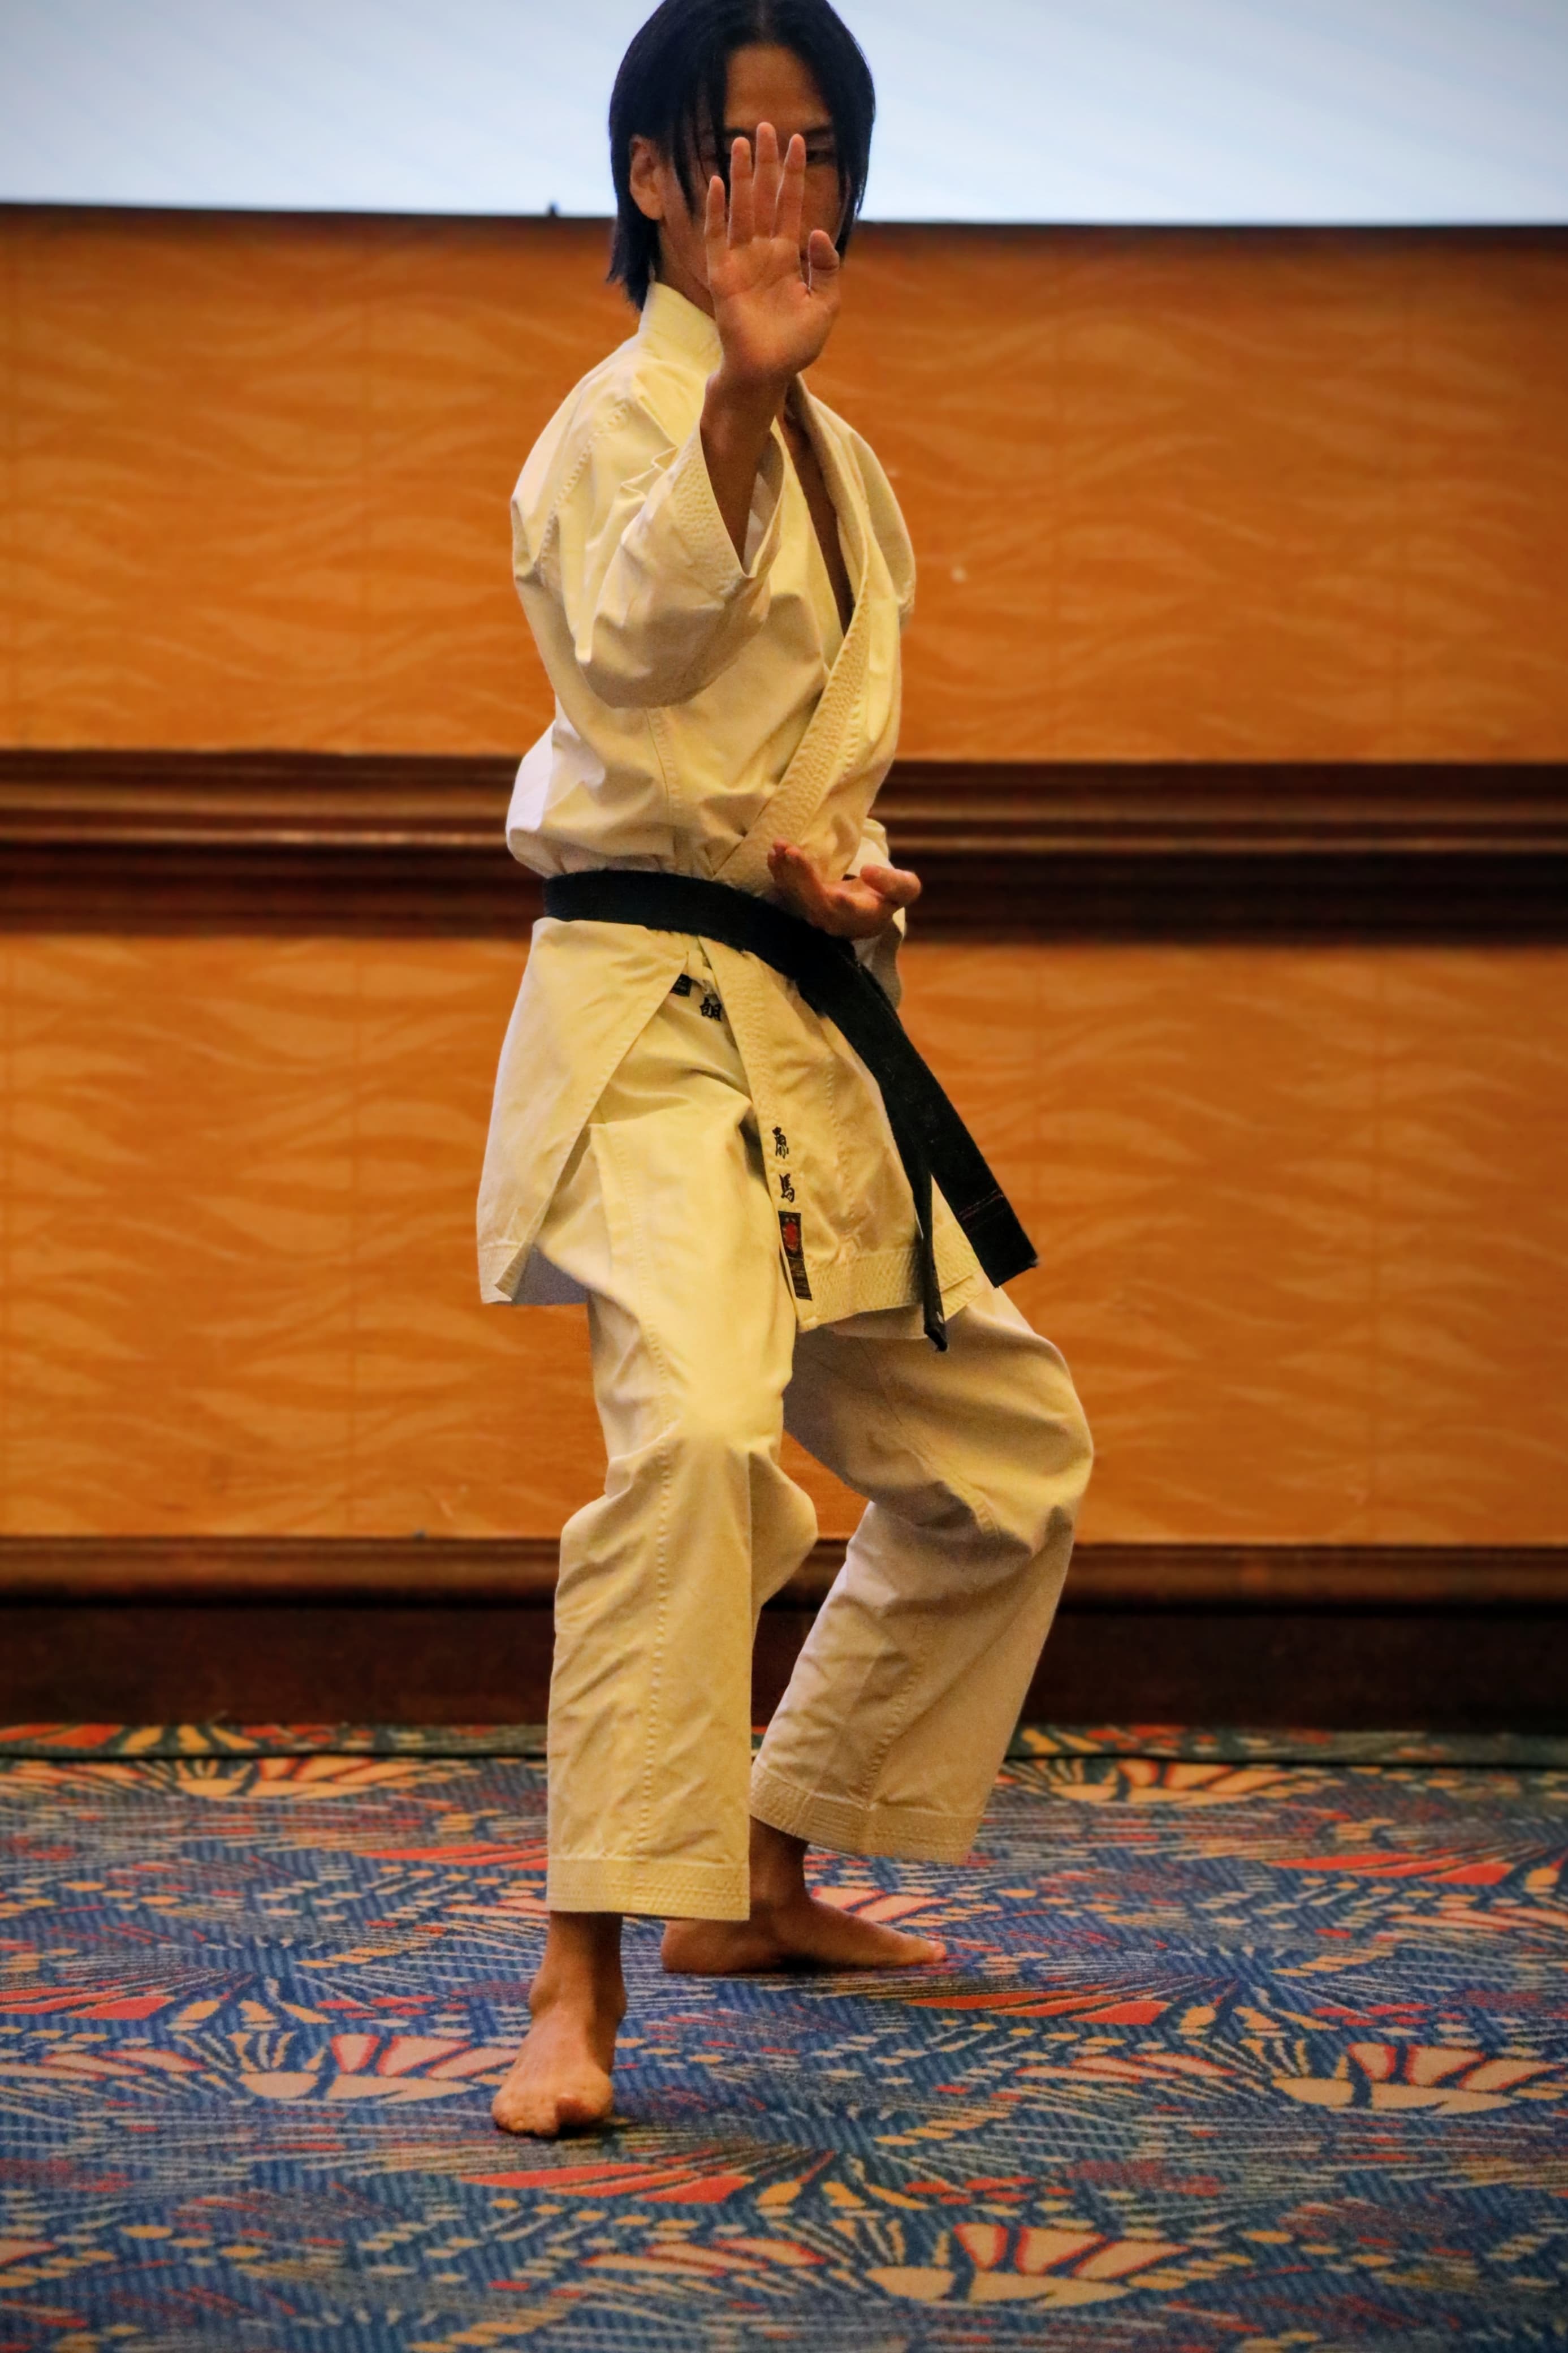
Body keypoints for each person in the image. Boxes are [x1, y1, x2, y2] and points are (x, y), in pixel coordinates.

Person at [480, 0, 1092, 2137]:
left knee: (1009, 1455)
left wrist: (832, 870)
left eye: (819, 145)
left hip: (806, 1041)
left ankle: (761, 1868)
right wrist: (732, 403)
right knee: (704, 1442)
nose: (787, 188)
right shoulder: (608, 434)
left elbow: (774, 775)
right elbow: (634, 652)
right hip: (647, 1038)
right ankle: (577, 1975)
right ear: (655, 177)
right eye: (743, 146)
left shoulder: (858, 477)